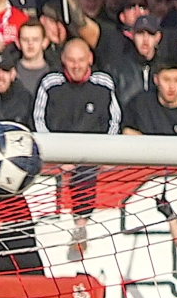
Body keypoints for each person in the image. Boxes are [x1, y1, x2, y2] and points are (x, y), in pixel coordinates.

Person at [32, 38, 117, 256]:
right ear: (63, 60)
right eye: (71, 61)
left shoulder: (104, 83)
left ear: (90, 59)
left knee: (87, 168)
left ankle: (81, 226)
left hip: (93, 153)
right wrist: (55, 155)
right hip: (58, 151)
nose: (76, 66)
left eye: (81, 60)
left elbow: (114, 121)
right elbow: (38, 120)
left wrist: (105, 154)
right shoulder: (50, 83)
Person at [122, 56, 177, 134]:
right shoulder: (140, 104)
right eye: (166, 80)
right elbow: (126, 131)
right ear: (156, 80)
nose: (171, 86)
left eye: (176, 80)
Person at [11, 16, 54, 93]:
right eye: (25, 39)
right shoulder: (10, 74)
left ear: (45, 42)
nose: (30, 44)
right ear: (18, 43)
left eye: (35, 39)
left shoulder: (55, 73)